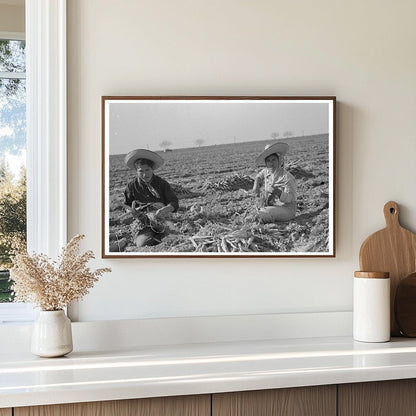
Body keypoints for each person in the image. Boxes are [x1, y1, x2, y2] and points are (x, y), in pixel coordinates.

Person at [124, 149, 179, 247]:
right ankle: (156, 236)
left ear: (152, 169)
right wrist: (132, 212)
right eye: (141, 171)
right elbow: (127, 206)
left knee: (174, 238)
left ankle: (162, 234)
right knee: (142, 244)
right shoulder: (131, 186)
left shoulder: (162, 183)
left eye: (147, 170)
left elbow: (174, 202)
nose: (145, 175)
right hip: (143, 221)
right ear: (136, 171)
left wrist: (165, 209)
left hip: (162, 217)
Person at [252, 142, 296, 222]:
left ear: (279, 160)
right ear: (266, 163)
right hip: (272, 206)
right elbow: (259, 176)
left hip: (287, 209)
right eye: (268, 161)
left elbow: (291, 198)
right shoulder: (267, 171)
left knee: (261, 214)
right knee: (253, 212)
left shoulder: (287, 177)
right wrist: (256, 185)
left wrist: (279, 193)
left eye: (273, 160)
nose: (271, 163)